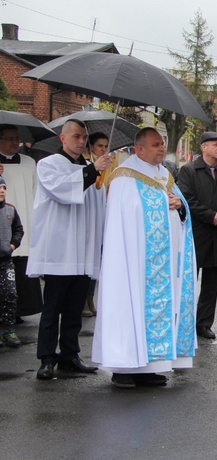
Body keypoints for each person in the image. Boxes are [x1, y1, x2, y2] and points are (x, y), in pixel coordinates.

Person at [92, 127, 197, 389]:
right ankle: (123, 368)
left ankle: (151, 367)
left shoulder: (165, 175)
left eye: (162, 144)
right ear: (139, 149)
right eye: (154, 145)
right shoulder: (124, 177)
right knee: (131, 307)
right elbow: (127, 214)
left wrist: (179, 205)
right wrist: (165, 204)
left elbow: (181, 209)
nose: (161, 148)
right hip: (134, 263)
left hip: (163, 262)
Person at [28, 119, 111, 380]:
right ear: (63, 139)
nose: (80, 141)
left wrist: (100, 177)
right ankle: (47, 358)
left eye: (83, 137)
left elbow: (98, 204)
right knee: (53, 306)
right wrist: (92, 172)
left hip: (83, 249)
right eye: (76, 136)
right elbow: (62, 190)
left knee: (75, 307)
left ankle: (69, 354)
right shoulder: (49, 164)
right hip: (61, 248)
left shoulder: (90, 167)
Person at [178, 131, 217, 340]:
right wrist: (211, 216)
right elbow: (187, 199)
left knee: (212, 284)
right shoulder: (188, 171)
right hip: (197, 233)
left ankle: (204, 324)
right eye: (215, 144)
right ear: (203, 147)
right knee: (189, 280)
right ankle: (184, 322)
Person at [0, 125, 42, 322]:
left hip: (25, 216)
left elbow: (36, 191)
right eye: (10, 138)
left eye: (17, 138)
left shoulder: (29, 162)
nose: (15, 142)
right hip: (3, 220)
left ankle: (20, 310)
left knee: (22, 268)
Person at [82, 132, 110, 317]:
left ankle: (90, 297)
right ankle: (84, 300)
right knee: (86, 259)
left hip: (101, 217)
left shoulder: (109, 167)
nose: (103, 149)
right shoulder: (85, 167)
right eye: (100, 145)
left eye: (105, 146)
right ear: (91, 147)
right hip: (86, 219)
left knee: (97, 259)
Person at [0, 175, 24, 348]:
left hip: (6, 261)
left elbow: (18, 230)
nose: (2, 191)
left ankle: (8, 330)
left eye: (4, 188)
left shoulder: (10, 210)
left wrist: (13, 245)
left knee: (10, 294)